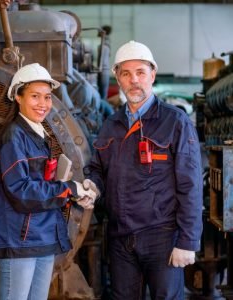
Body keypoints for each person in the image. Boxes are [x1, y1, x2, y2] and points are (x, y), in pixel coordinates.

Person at [84, 41, 203, 299]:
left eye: (140, 72)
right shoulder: (111, 125)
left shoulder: (175, 122)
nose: (133, 80)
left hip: (162, 236)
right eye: (126, 74)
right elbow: (97, 169)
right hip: (120, 238)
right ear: (117, 77)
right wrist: (92, 186)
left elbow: (191, 185)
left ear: (152, 74)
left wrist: (187, 241)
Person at [0, 63, 96, 300]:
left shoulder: (38, 135)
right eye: (34, 96)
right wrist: (68, 189)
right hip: (20, 240)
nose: (43, 104)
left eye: (47, 97)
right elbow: (21, 191)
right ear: (17, 97)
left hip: (42, 235)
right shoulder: (14, 137)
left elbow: (40, 184)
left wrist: (75, 193)